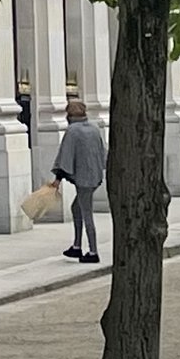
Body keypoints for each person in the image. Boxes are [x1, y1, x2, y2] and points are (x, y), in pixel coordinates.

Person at [52, 96, 105, 265]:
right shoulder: (94, 128)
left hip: (83, 178)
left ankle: (93, 250)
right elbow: (102, 152)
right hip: (94, 176)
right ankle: (76, 246)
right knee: (76, 208)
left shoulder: (73, 131)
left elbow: (65, 155)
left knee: (86, 213)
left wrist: (58, 178)